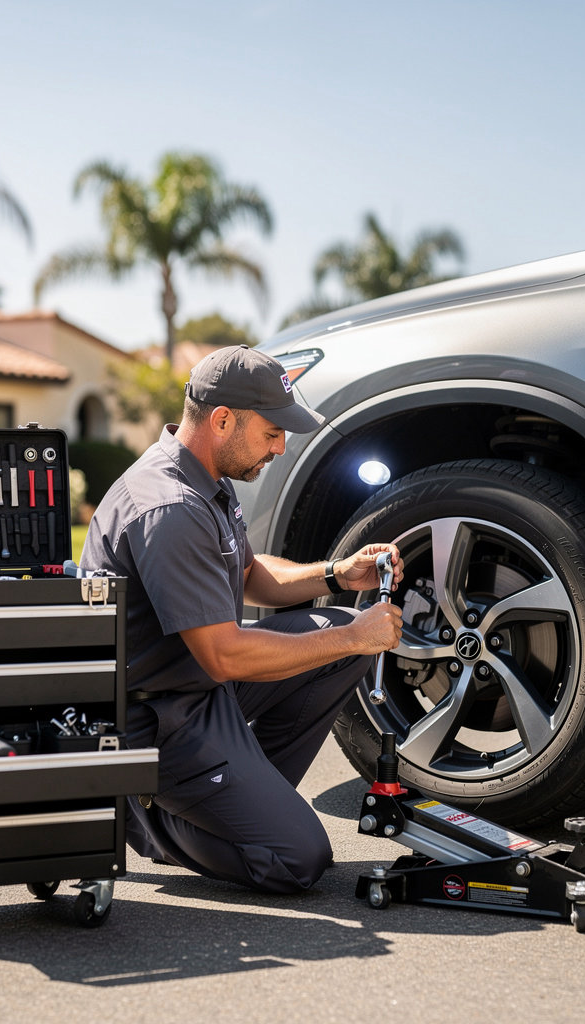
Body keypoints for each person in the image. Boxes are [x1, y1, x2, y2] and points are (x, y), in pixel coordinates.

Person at [80, 344, 403, 893]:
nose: (280, 447)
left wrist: (337, 574)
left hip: (198, 690)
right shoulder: (170, 507)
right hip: (155, 721)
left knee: (336, 640)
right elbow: (225, 654)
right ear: (222, 420)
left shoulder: (209, 478)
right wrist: (353, 636)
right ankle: (155, 821)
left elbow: (249, 573)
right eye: (272, 433)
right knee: (298, 859)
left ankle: (238, 804)